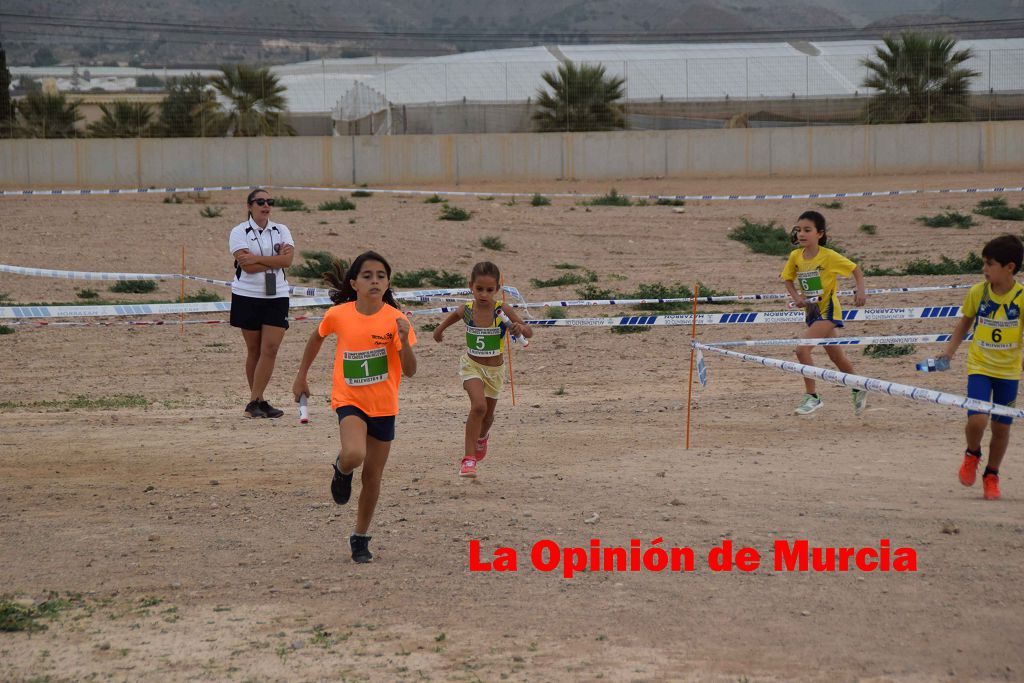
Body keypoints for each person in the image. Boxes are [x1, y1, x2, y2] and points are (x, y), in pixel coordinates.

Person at [292, 251, 417, 562]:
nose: (375, 281)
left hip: (384, 405)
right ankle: (342, 468)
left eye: (381, 276)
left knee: (373, 476)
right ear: (354, 283)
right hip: (349, 400)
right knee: (354, 454)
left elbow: (411, 370)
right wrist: (301, 376)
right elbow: (316, 338)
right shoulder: (339, 314)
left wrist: (403, 339)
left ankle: (360, 537)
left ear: (388, 283)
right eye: (367, 276)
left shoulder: (397, 320)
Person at [937, 234, 1024, 501]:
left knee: (1001, 429)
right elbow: (964, 324)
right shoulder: (978, 292)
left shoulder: (1021, 297)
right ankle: (972, 453)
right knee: (977, 419)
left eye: (989, 263)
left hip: (1008, 372)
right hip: (980, 366)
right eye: (983, 263)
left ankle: (992, 474)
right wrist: (948, 353)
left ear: (1009, 267)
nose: (984, 269)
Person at [431, 261, 532, 478]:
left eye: (489, 290)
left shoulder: (502, 310)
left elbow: (528, 332)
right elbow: (454, 316)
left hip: (495, 371)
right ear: (471, 286)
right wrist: (439, 330)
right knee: (478, 406)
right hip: (471, 366)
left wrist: (519, 328)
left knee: (487, 416)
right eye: (479, 289)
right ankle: (468, 460)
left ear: (497, 289)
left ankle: (482, 436)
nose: (484, 294)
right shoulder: (468, 309)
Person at [781, 210, 867, 416]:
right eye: (799, 230)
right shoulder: (795, 256)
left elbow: (856, 269)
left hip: (828, 312)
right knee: (837, 357)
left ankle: (812, 396)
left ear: (819, 234)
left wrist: (861, 290)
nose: (802, 234)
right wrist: (796, 298)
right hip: (811, 312)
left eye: (807, 230)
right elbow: (787, 279)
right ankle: (858, 386)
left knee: (802, 350)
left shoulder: (828, 256)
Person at [229, 188, 295, 419]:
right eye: (260, 202)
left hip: (276, 295)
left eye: (269, 201)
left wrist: (258, 258)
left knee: (271, 348)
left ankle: (254, 401)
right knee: (254, 350)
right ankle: (258, 400)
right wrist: (274, 263)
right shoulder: (239, 232)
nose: (265, 205)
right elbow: (246, 266)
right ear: (249, 206)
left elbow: (287, 260)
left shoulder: (281, 230)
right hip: (247, 294)